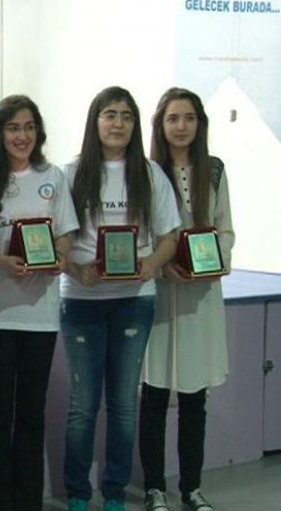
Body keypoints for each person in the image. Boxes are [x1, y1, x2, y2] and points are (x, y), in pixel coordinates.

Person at [59, 86, 181, 511]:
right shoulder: (70, 173)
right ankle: (77, 493)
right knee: (82, 405)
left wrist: (151, 265)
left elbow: (169, 237)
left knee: (124, 405)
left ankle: (113, 492)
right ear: (95, 121)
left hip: (135, 299)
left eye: (127, 116)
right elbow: (58, 242)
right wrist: (76, 270)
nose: (118, 123)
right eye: (110, 114)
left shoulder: (149, 174)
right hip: (81, 300)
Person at [0, 95, 78, 511]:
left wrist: (59, 259)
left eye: (29, 127)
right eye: (13, 128)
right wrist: (2, 262)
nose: (22, 136)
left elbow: (65, 233)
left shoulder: (52, 177)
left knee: (32, 411)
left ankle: (27, 500)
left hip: (40, 316)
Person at [139, 88, 235, 511]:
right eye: (173, 118)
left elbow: (224, 229)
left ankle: (191, 488)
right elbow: (140, 232)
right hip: (160, 296)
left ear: (200, 124)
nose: (181, 126)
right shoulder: (145, 173)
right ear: (160, 125)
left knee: (195, 398)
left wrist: (215, 263)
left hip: (202, 298)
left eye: (189, 118)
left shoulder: (214, 170)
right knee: (155, 396)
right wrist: (162, 267)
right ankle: (154, 489)